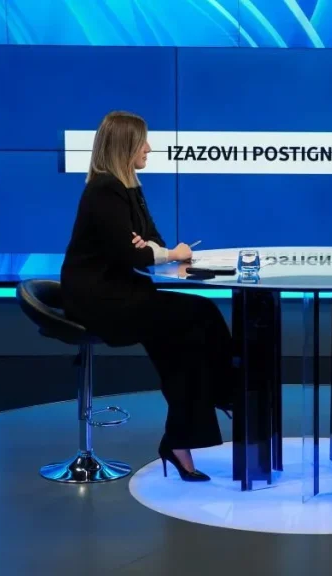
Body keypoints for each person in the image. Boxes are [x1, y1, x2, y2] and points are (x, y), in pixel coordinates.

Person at [60, 111, 234, 483]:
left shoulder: (129, 188)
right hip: (98, 299)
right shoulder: (104, 189)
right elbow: (134, 254)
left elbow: (151, 241)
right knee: (201, 313)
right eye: (143, 142)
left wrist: (151, 249)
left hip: (122, 291)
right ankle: (227, 395)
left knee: (185, 339)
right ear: (125, 146)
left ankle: (181, 440)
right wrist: (163, 253)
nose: (149, 149)